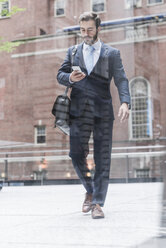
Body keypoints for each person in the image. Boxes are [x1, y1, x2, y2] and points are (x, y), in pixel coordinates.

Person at [57, 12, 130, 219]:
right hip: (79, 113)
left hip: (103, 113)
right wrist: (70, 77)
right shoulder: (72, 52)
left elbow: (122, 80)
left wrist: (125, 102)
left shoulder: (111, 53)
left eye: (89, 29)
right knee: (75, 154)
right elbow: (60, 75)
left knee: (102, 158)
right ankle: (90, 189)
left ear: (98, 28)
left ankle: (97, 202)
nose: (85, 34)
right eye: (82, 30)